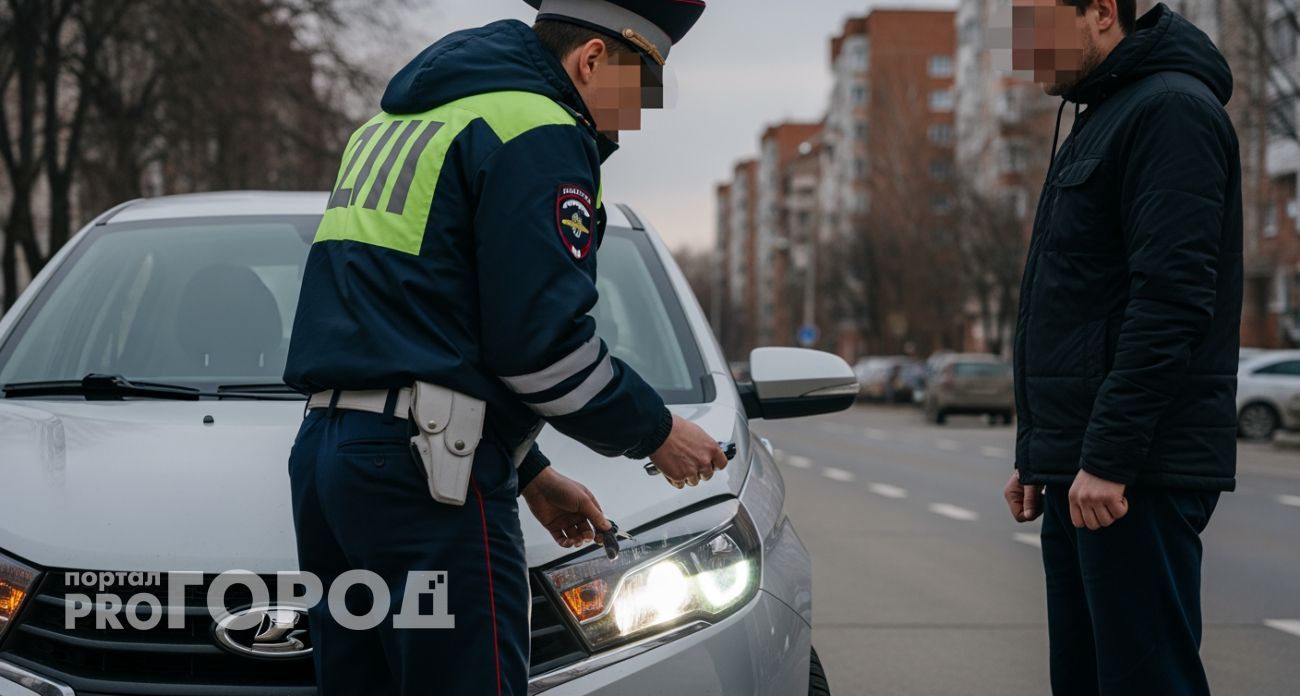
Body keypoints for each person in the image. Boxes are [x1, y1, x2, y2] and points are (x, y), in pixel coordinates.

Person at [281, 1, 721, 694]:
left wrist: (530, 471)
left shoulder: (401, 121)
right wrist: (657, 431)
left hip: (331, 458)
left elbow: (418, 324)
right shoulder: (540, 129)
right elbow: (541, 350)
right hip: (426, 481)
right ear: (593, 60)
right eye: (643, 90)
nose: (637, 118)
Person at [1000, 1, 1243, 694]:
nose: (1023, 51)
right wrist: (1040, 454)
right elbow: (1077, 303)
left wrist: (1107, 458)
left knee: (1145, 683)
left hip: (1134, 473)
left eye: (1035, 26)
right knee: (1085, 681)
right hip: (1085, 469)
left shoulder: (1170, 111)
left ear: (1102, 11)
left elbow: (1171, 303)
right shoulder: (1106, 114)